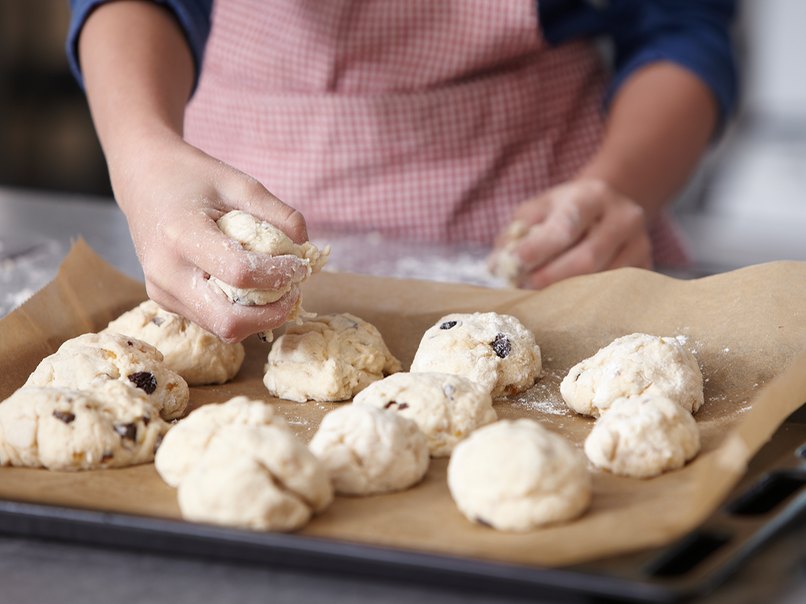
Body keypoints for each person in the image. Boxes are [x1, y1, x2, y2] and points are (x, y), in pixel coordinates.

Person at [67, 0, 739, 342]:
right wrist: (145, 155)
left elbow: (679, 23)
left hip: (545, 227)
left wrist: (620, 187)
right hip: (221, 205)